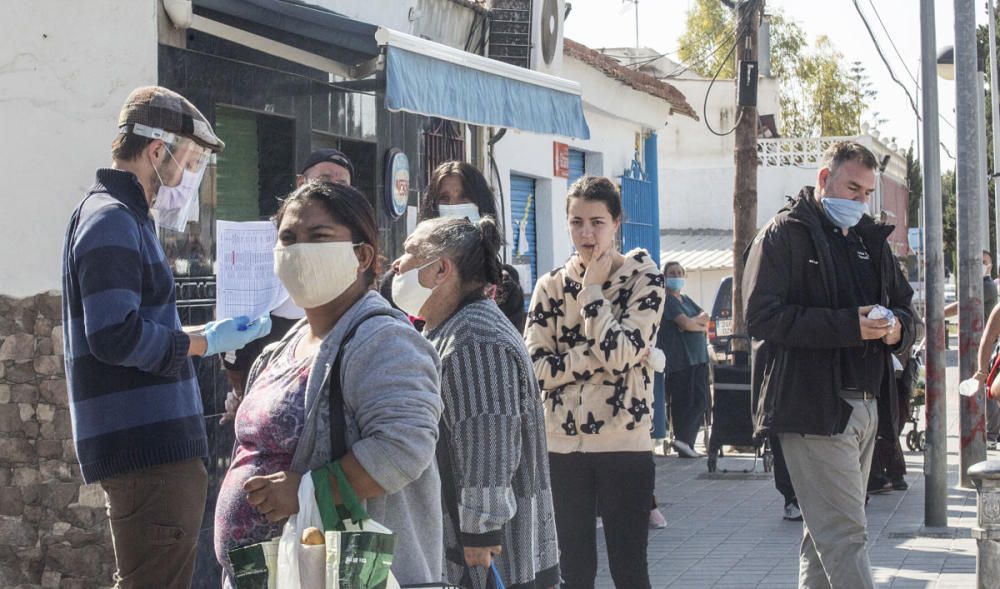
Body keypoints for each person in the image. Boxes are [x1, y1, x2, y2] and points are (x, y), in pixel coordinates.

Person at [61, 86, 272, 588]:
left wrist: (198, 333)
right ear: (156, 151)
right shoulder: (111, 218)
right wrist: (198, 344)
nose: (186, 178)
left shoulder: (122, 217)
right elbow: (113, 335)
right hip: (148, 452)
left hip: (152, 452)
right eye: (188, 161)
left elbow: (129, 325)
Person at [214, 181, 445, 586]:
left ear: (362, 255)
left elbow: (404, 448)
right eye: (288, 238)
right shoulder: (282, 347)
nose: (299, 250)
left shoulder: (385, 342)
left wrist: (308, 490)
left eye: (318, 237)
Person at [743, 141, 914, 588]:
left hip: (867, 405)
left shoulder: (868, 240)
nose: (858, 202)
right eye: (851, 188)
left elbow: (906, 310)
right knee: (845, 536)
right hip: (812, 408)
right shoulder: (784, 234)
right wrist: (847, 326)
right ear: (824, 179)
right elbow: (761, 317)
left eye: (865, 193)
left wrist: (895, 329)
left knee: (824, 538)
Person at [393, 216, 560, 589]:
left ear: (440, 269)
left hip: (490, 561)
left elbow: (488, 442)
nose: (397, 265)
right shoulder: (450, 326)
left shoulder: (475, 338)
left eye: (409, 253)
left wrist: (480, 534)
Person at [524, 175, 665, 589]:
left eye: (597, 222)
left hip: (625, 441)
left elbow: (622, 355)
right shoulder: (549, 286)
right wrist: (605, 358)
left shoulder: (644, 281)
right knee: (574, 572)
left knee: (630, 570)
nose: (586, 233)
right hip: (561, 446)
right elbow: (535, 367)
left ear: (616, 222)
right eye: (577, 222)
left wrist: (592, 293)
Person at [220, 149, 356, 422]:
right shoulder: (263, 238)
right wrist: (239, 391)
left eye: (342, 183)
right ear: (300, 183)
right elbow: (235, 324)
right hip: (268, 342)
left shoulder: (354, 236)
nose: (332, 188)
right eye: (325, 178)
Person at [658, 261, 709, 458]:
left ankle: (686, 441)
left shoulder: (685, 299)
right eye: (672, 273)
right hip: (680, 361)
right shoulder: (667, 300)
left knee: (701, 400)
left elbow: (705, 317)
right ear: (665, 277)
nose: (677, 276)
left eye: (679, 272)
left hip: (698, 358)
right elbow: (685, 323)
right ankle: (682, 440)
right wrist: (694, 325)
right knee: (684, 401)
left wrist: (695, 324)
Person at [943, 249, 997, 321]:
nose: (981, 265)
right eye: (978, 262)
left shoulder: (987, 285)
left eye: (984, 262)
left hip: (981, 331)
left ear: (990, 266)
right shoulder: (978, 284)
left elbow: (962, 305)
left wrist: (938, 315)